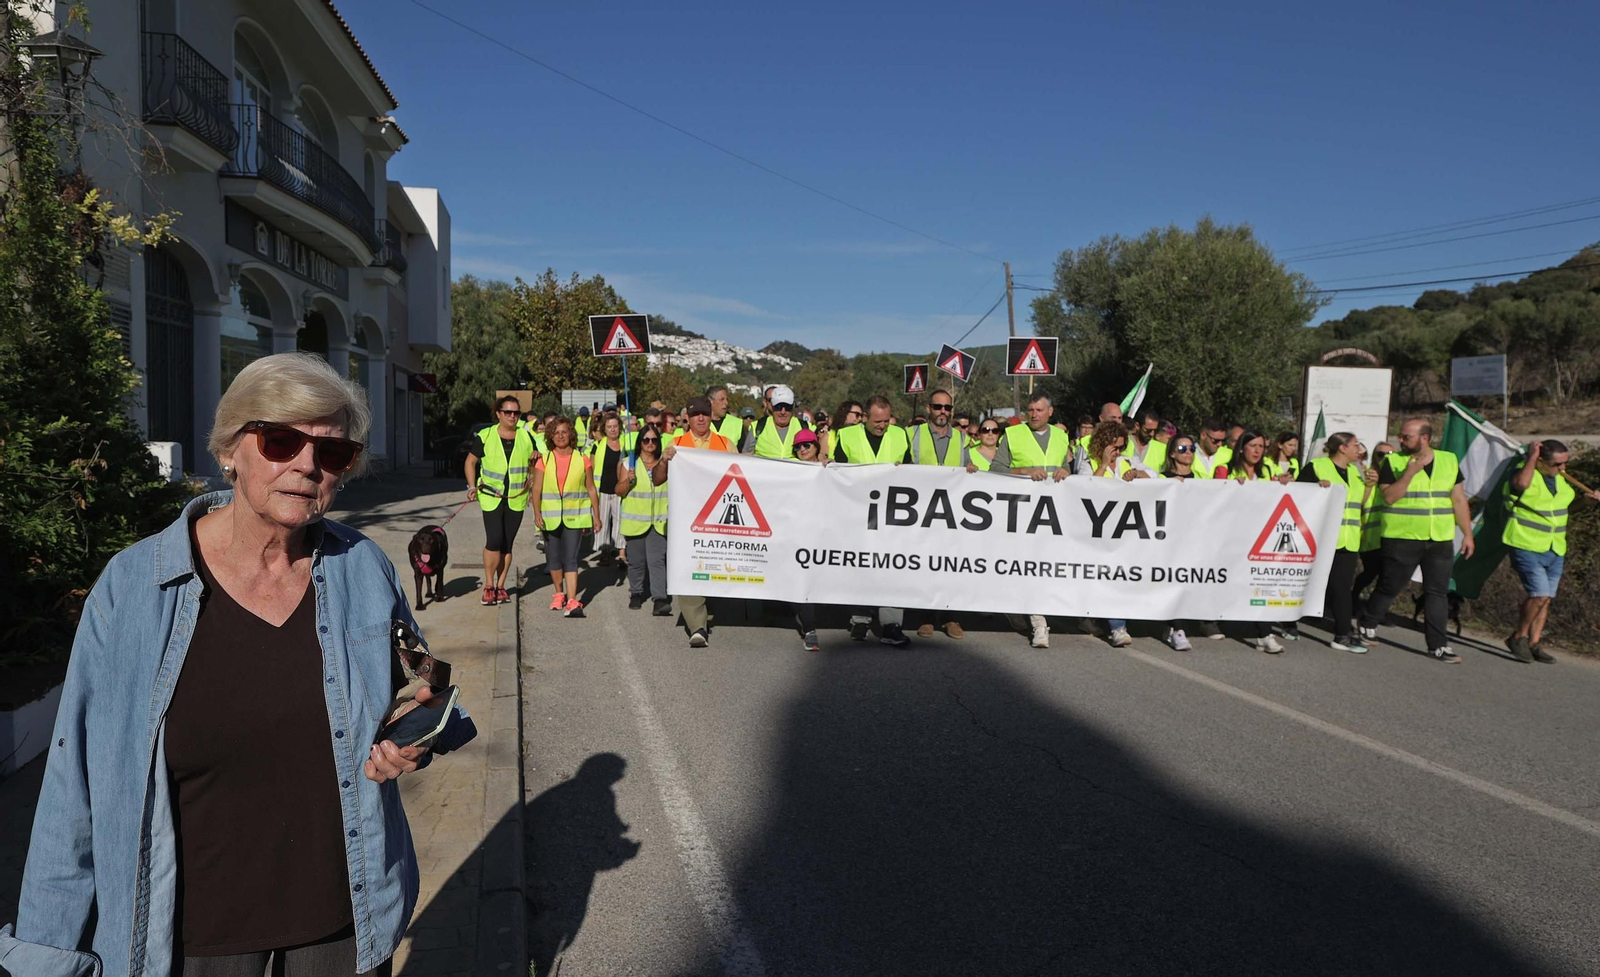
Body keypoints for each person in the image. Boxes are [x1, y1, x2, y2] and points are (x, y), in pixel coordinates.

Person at [8, 352, 472, 977]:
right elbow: (76, 781)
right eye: (282, 440)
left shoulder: (363, 567)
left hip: (343, 931)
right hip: (188, 943)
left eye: (333, 453)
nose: (307, 465)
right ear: (231, 448)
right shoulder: (136, 587)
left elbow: (417, 684)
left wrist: (410, 731)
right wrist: (49, 953)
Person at [1357, 419, 1475, 663]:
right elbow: (1389, 497)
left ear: (1424, 438)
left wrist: (1468, 534)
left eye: (1406, 437)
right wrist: (1409, 474)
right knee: (1390, 586)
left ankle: (1439, 645)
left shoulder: (1449, 460)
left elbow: (1459, 500)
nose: (1400, 440)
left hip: (1440, 538)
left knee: (1437, 592)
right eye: (1401, 436)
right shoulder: (1394, 461)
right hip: (1402, 537)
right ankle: (1367, 622)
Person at [1503, 440, 1597, 663]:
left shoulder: (1562, 483)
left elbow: (1564, 512)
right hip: (1526, 544)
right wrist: (1532, 457)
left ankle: (1534, 643)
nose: (1563, 469)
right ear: (1541, 462)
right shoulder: (1523, 475)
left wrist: (1585, 502)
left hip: (1555, 547)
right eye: (1557, 464)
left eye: (1566, 463)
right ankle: (1518, 637)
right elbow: (1521, 485)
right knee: (1539, 594)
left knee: (1546, 599)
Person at [833, 396, 913, 647]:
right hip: (858, 514)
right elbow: (837, 475)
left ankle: (891, 625)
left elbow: (912, 472)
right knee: (860, 567)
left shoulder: (900, 435)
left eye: (886, 421)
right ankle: (860, 619)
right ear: (865, 417)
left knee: (892, 568)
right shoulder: (846, 436)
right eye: (878, 421)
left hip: (892, 515)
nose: (882, 426)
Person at [664, 398, 735, 647]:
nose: (701, 419)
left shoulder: (725, 444)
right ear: (688, 418)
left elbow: (742, 473)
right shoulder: (677, 444)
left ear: (711, 416)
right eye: (696, 415)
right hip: (688, 518)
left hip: (719, 517)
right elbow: (659, 478)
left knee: (713, 568)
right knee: (689, 569)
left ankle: (708, 611)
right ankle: (697, 627)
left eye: (705, 414)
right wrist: (665, 459)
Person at [1301, 432, 1379, 653]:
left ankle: (1343, 634)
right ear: (1342, 448)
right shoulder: (1316, 467)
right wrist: (1316, 487)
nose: (1360, 450)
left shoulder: (1356, 472)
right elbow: (1299, 497)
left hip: (1348, 540)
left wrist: (1370, 486)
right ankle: (1286, 622)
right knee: (1309, 582)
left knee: (1342, 588)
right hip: (1321, 538)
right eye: (1356, 445)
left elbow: (1358, 504)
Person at [465, 395, 540, 605]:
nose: (513, 416)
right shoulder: (485, 435)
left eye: (516, 412)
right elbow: (470, 462)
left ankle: (501, 586)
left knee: (507, 545)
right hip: (491, 497)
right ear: (498, 413)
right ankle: (489, 585)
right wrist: (471, 486)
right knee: (494, 541)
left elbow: (535, 464)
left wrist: (534, 468)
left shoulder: (526, 437)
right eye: (508, 412)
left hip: (516, 499)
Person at [1083, 421, 1146, 648]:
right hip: (1096, 531)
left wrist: (1137, 474)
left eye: (1120, 447)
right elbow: (1086, 488)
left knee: (1117, 578)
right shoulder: (1088, 463)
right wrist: (1102, 465)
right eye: (1113, 447)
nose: (1117, 452)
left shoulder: (1126, 462)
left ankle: (1117, 626)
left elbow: (1155, 480)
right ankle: (1112, 625)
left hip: (1123, 531)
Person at [534, 417, 600, 618]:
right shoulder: (543, 460)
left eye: (564, 432)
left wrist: (596, 515)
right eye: (556, 432)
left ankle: (572, 600)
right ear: (551, 436)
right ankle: (558, 593)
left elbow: (590, 488)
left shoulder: (583, 459)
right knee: (554, 558)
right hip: (550, 518)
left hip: (576, 516)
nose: (560, 436)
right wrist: (537, 513)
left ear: (571, 434)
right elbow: (536, 489)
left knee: (571, 559)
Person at [618, 424, 672, 616]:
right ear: (640, 442)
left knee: (657, 560)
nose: (650, 443)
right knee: (636, 561)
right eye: (646, 440)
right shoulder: (628, 463)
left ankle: (660, 599)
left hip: (659, 521)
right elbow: (618, 490)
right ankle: (636, 593)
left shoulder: (666, 463)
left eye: (654, 440)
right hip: (635, 522)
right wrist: (628, 482)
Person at [788, 429, 826, 651]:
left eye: (807, 445)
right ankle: (809, 629)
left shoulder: (830, 469)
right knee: (803, 579)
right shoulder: (789, 470)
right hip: (796, 533)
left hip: (823, 533)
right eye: (798, 447)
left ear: (816, 446)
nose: (802, 449)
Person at [1351, 441, 1394, 608]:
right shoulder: (1367, 475)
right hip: (1369, 536)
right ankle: (1353, 599)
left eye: (1390, 455)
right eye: (1381, 454)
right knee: (1370, 573)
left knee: (1387, 577)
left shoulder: (1397, 476)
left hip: (1390, 535)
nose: (1385, 458)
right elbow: (1359, 501)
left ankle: (1376, 610)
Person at [993, 393, 1073, 482]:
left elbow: (1065, 466)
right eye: (1031, 410)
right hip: (1022, 493)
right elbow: (995, 469)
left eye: (1039, 410)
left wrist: (1065, 472)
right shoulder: (1012, 434)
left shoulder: (1061, 435)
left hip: (1053, 493)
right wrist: (1023, 471)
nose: (1034, 415)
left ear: (1050, 411)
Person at [588, 413, 628, 568]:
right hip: (602, 490)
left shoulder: (626, 444)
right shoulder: (597, 446)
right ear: (604, 429)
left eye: (615, 426)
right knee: (602, 522)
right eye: (609, 427)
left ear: (620, 427)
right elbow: (590, 469)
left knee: (620, 522)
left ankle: (621, 554)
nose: (613, 430)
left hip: (621, 491)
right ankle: (604, 553)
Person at [907, 388, 970, 469]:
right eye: (938, 407)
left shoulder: (962, 439)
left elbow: (967, 464)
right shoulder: (911, 433)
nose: (943, 411)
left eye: (947, 407)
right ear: (928, 409)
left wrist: (970, 466)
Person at [746, 384, 810, 457]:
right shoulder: (757, 427)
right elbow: (745, 458)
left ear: (793, 407)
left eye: (787, 407)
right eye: (778, 407)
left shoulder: (805, 427)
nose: (783, 412)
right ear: (772, 407)